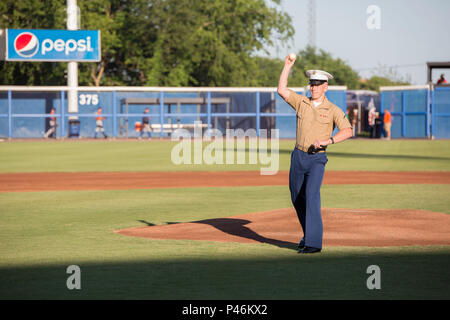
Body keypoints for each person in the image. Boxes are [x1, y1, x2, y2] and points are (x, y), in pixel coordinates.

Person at [277, 55, 353, 254]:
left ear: (326, 86)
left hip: (317, 158)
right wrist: (287, 66)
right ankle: (307, 234)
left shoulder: (333, 109)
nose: (314, 87)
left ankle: (313, 244)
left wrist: (328, 141)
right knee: (297, 198)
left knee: (311, 196)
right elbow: (281, 90)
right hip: (298, 156)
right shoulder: (302, 102)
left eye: (318, 84)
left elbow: (348, 130)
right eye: (312, 84)